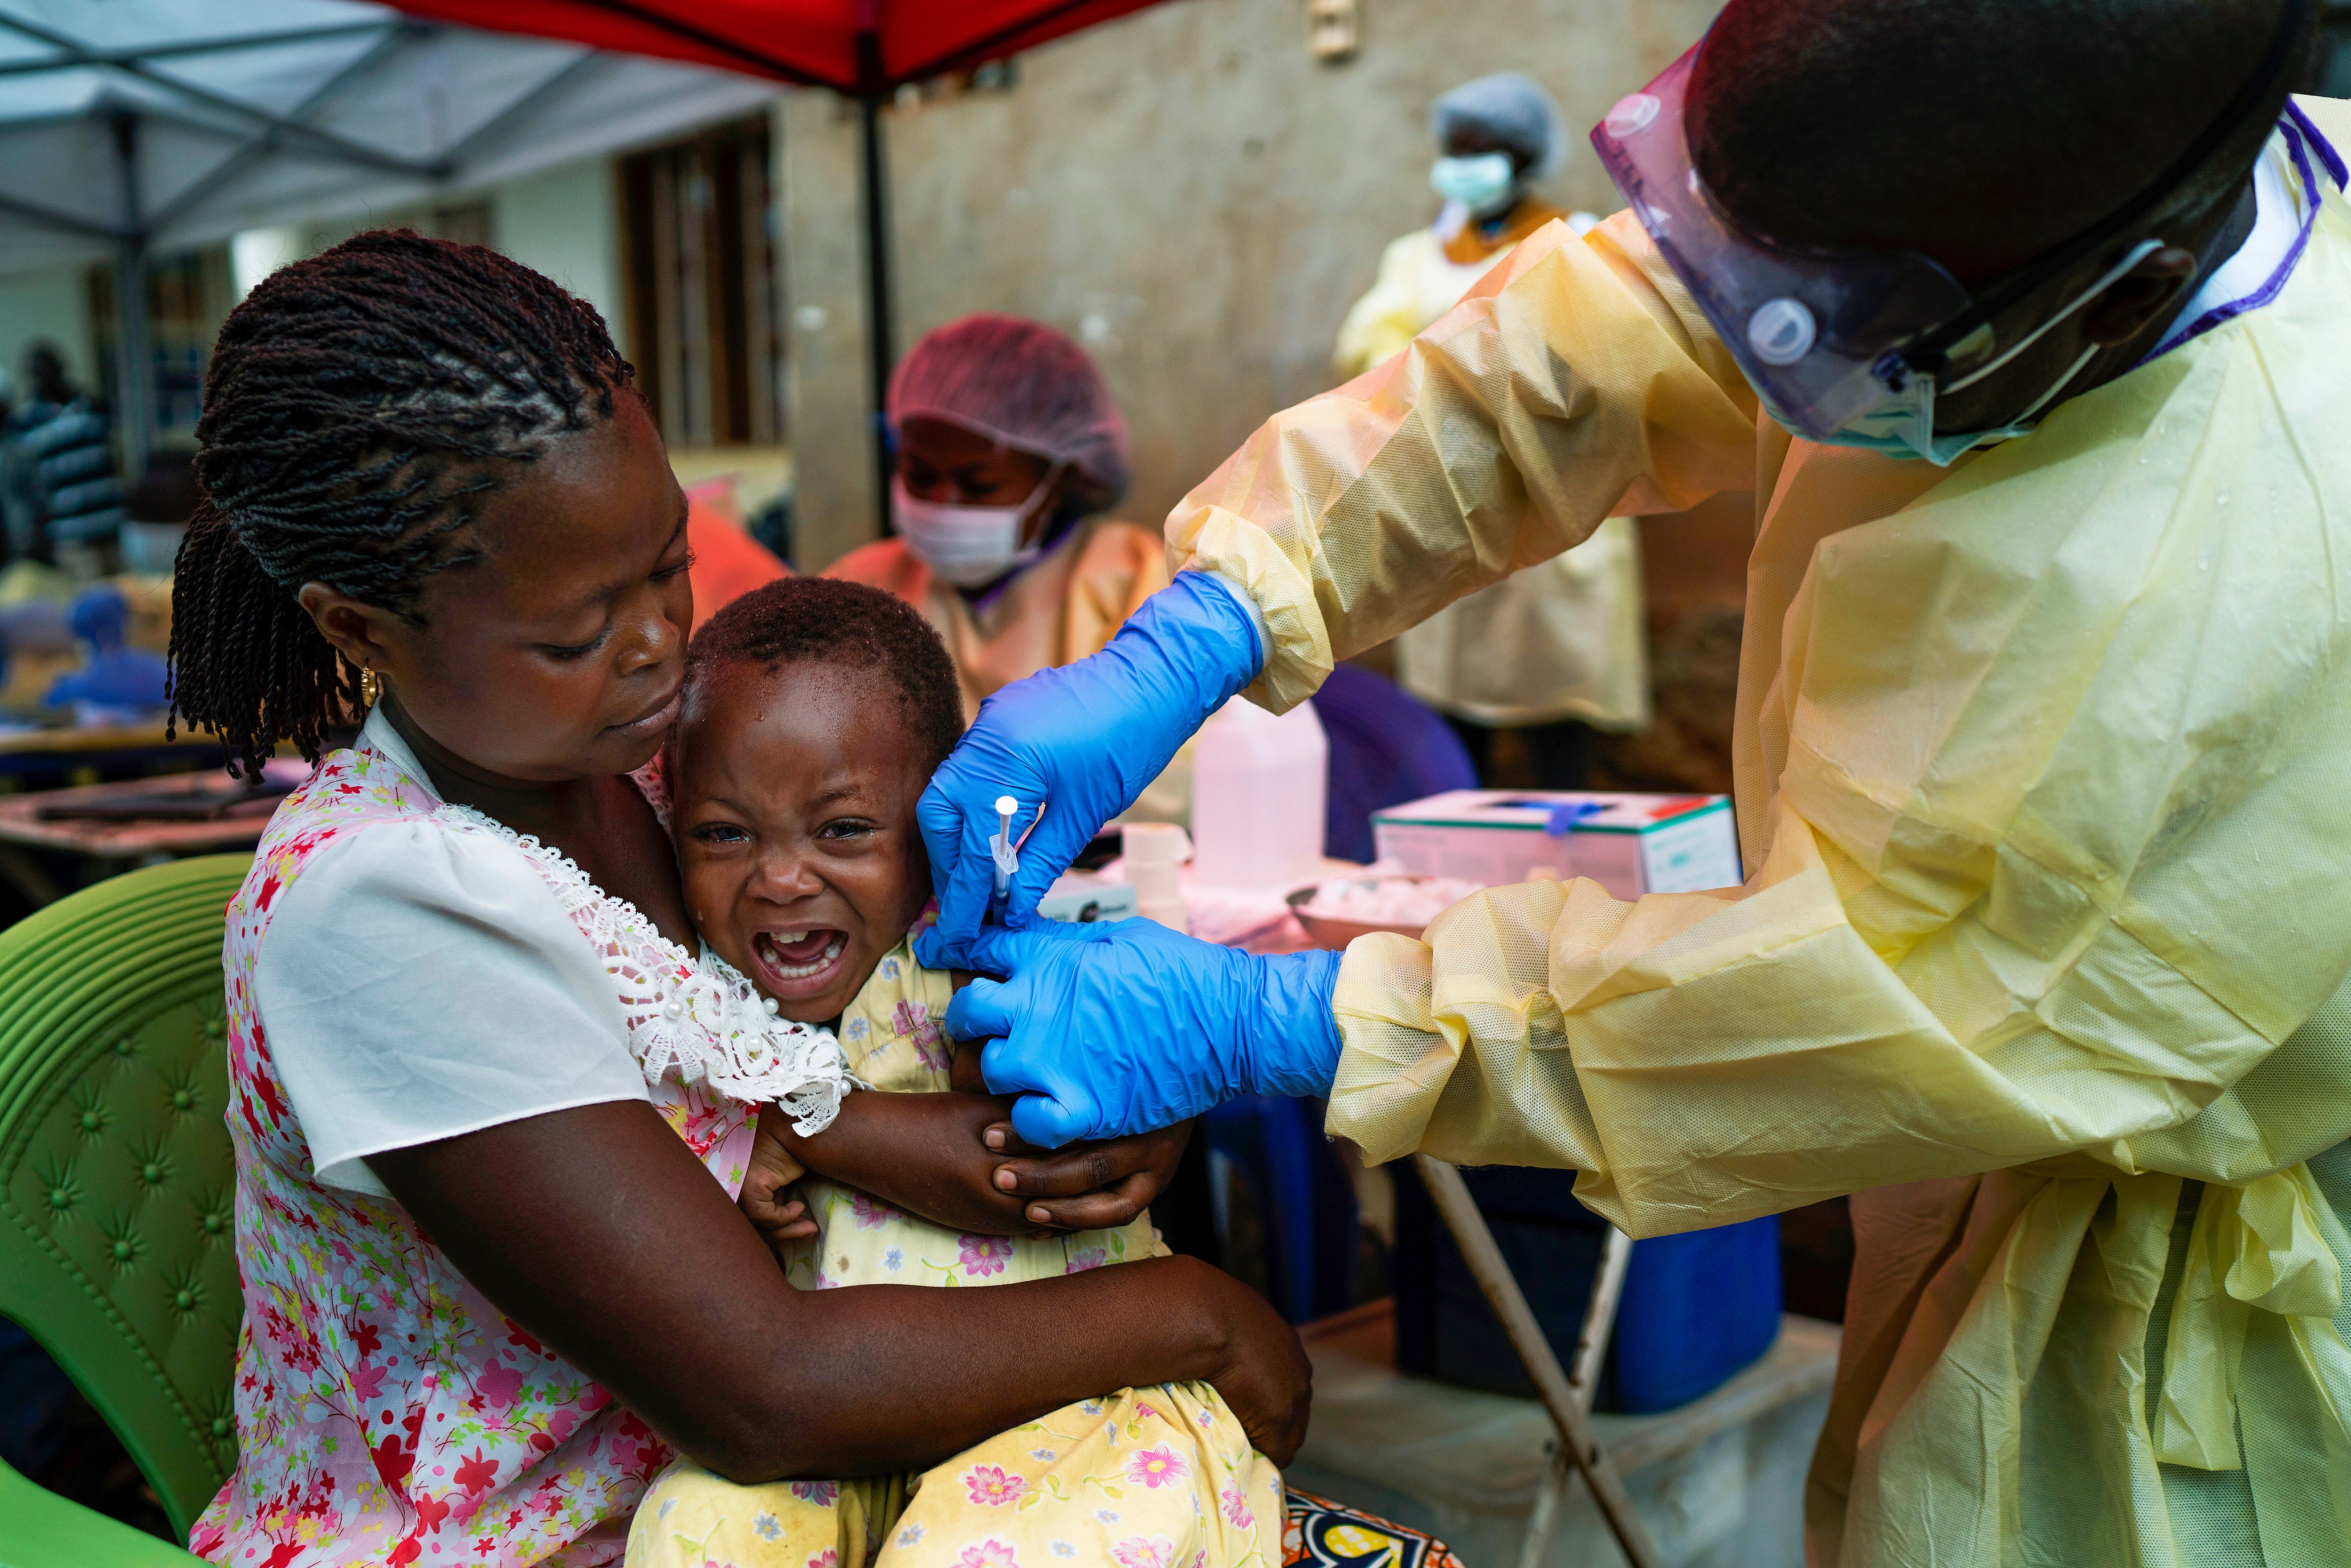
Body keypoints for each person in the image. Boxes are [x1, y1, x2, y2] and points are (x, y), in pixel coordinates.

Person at [919, 1, 2351, 1562]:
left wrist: (1290, 1019)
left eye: (1817, 328)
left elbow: (1857, 1004)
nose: (1752, 344)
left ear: (2121, 289)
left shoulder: (2259, 568)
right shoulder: (1979, 230)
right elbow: (1571, 356)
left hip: (2179, 1337)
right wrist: (1212, 617)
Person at [166, 231, 1306, 1568]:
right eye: (577, 632)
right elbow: (765, 1391)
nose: (658, 645)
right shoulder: (377, 908)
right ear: (360, 628)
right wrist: (1198, 1313)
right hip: (553, 1537)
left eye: (667, 567)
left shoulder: (671, 767)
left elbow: (885, 1021)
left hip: (840, 1478)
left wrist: (1090, 1115)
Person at [625, 574, 1292, 1566]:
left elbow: (1027, 1167)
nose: (780, 876)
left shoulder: (979, 970)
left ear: (940, 823)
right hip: (846, 1430)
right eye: (725, 833)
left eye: (843, 828)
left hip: (1078, 1409)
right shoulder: (691, 1000)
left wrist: (790, 1123)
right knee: (690, 1533)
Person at [1335, 73, 1646, 790]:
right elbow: (1369, 351)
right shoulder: (1418, 255)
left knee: (1557, 694)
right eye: (1456, 146)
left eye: (1484, 146)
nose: (1465, 161)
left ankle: (1557, 863)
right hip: (1447, 495)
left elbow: (1602, 353)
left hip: (1556, 494)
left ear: (1524, 154)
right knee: (1452, 699)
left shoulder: (1580, 237)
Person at [828, 314, 1166, 725]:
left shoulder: (1133, 581)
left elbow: (1161, 765)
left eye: (978, 485)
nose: (942, 502)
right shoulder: (861, 586)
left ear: (1061, 478)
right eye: (920, 475)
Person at [1, 342, 123, 564]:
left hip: (110, 522)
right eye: (38, 370)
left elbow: (114, 456)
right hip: (70, 531)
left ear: (62, 367)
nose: (46, 374)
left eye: (50, 366)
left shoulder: (93, 406)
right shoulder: (26, 422)